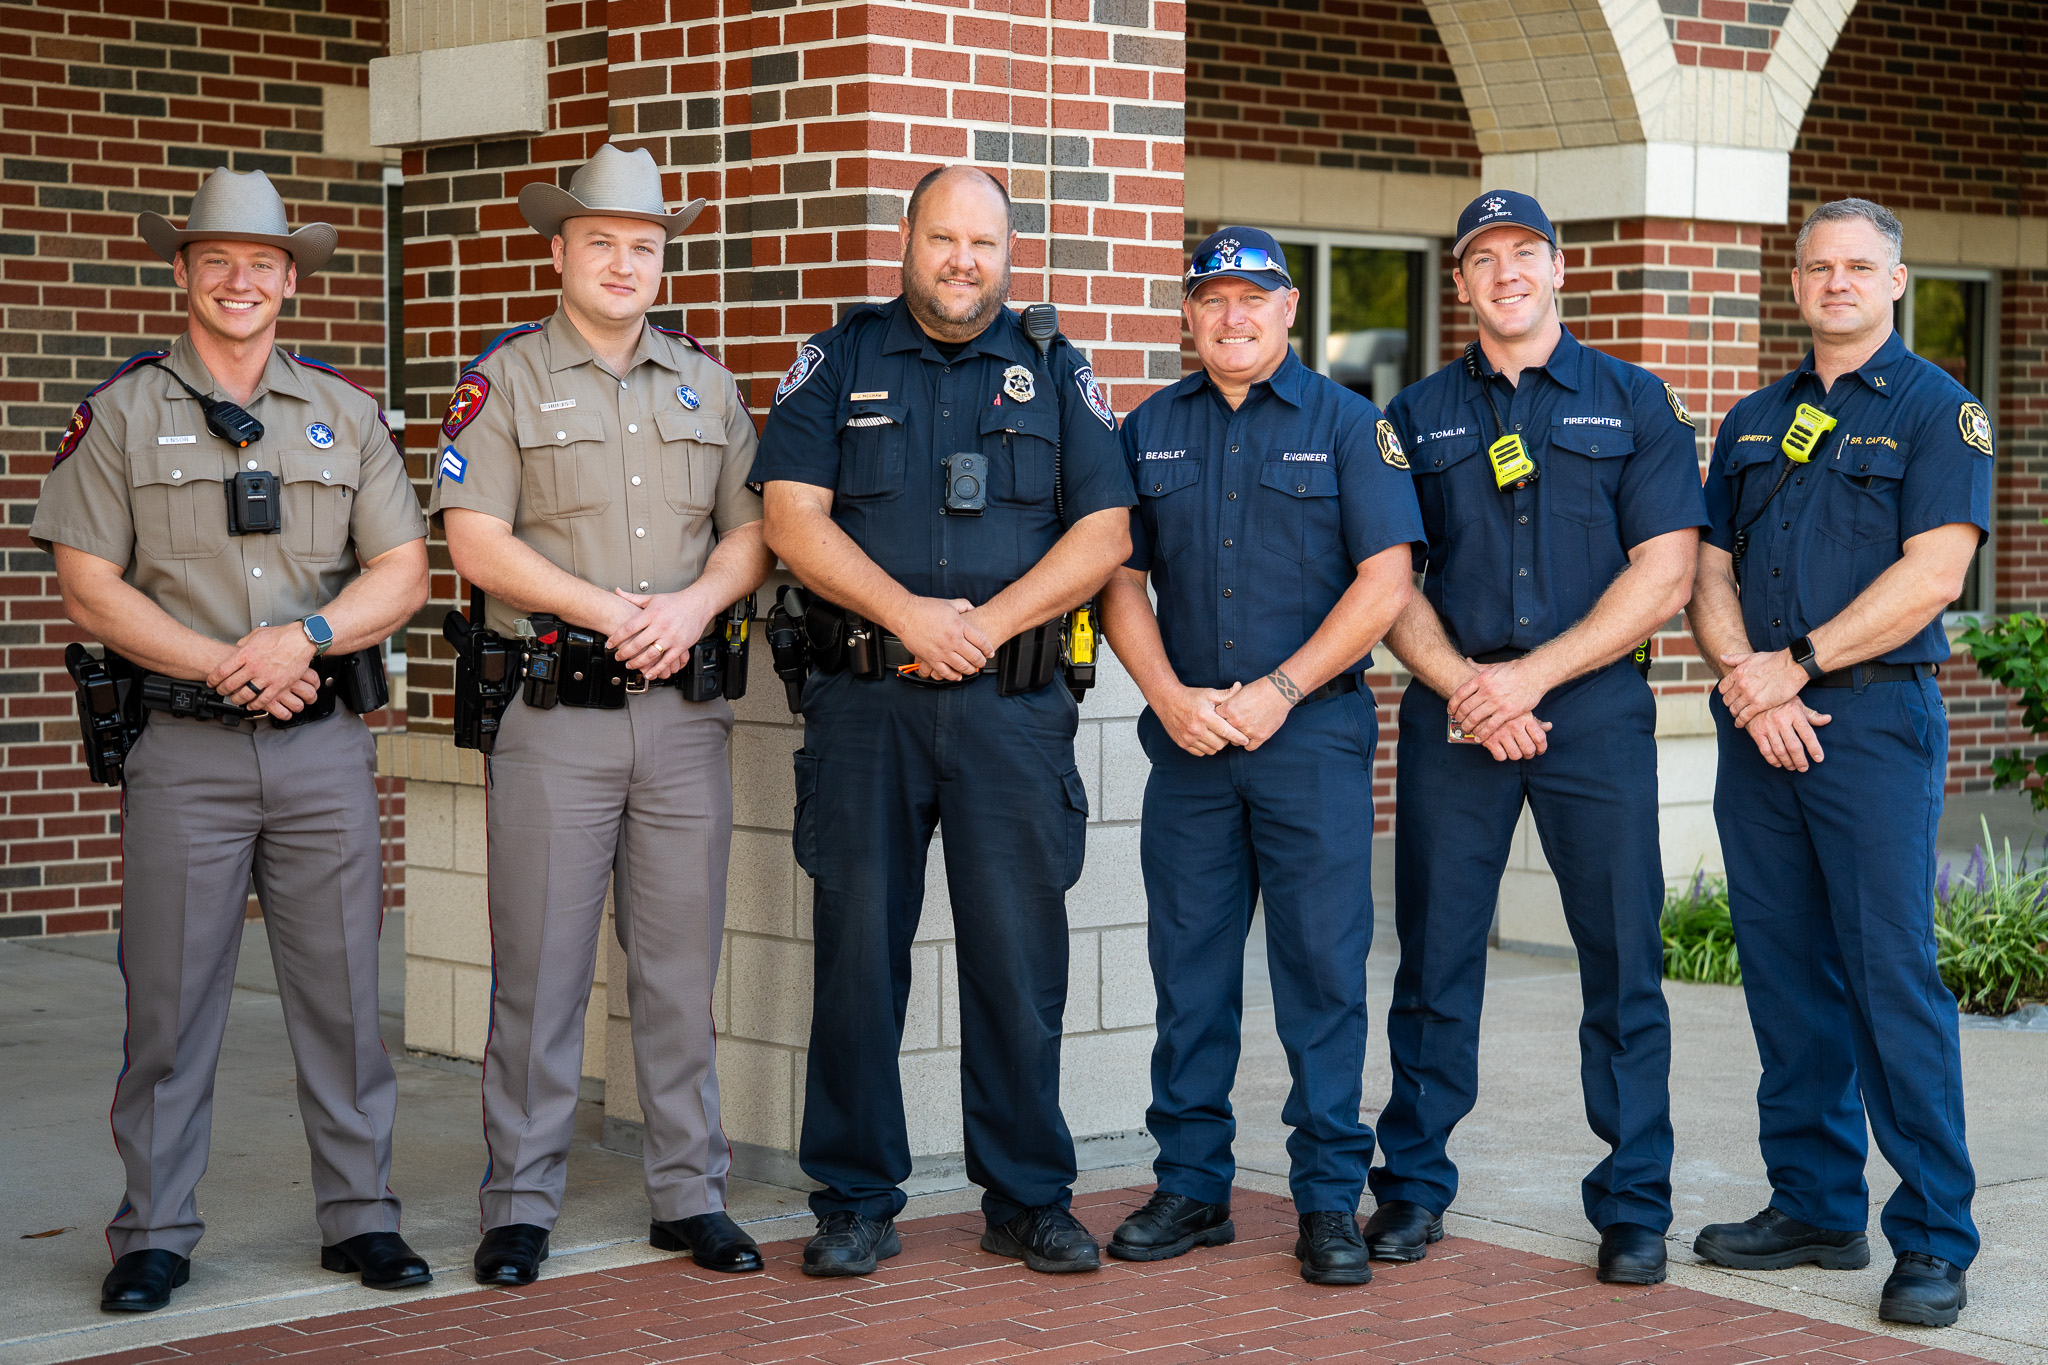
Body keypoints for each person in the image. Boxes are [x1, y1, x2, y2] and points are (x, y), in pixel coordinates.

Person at [32, 167, 432, 1312]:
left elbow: (400, 571)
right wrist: (223, 662)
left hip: (318, 749)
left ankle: (361, 1220)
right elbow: (88, 588)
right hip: (184, 749)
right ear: (183, 273)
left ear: (290, 280)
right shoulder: (118, 413)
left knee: (345, 995)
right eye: (218, 260)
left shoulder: (346, 415)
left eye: (262, 262)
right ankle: (153, 1231)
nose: (240, 279)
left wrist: (300, 638)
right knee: (168, 999)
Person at [752, 165, 1135, 1278]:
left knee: (1017, 962)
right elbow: (789, 519)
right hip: (865, 702)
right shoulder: (841, 358)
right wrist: (908, 613)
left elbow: (1103, 532)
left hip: (1011, 711)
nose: (963, 260)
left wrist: (982, 625)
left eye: (983, 242)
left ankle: (1025, 1198)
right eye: (941, 239)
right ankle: (856, 1200)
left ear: (1007, 252)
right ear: (906, 242)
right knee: (858, 956)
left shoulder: (1056, 368)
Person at [431, 144, 776, 1285]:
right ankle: (519, 1205)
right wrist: (611, 613)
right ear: (560, 250)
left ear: (661, 261)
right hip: (554, 711)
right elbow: (475, 539)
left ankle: (689, 1194)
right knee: (539, 968)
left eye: (644, 246)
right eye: (603, 243)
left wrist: (688, 608)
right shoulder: (507, 380)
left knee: (678, 969)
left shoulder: (705, 384)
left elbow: (751, 532)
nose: (625, 263)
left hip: (680, 716)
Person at [1373, 190, 1704, 1285]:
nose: (1504, 271)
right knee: (1433, 959)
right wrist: (1470, 686)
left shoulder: (1633, 400)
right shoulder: (1415, 415)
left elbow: (1661, 571)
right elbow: (1386, 578)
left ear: (1557, 269)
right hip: (1453, 706)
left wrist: (1533, 679)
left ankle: (1632, 1208)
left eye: (1524, 252)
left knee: (1620, 962)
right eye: (1481, 257)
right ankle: (1412, 1190)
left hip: (1594, 709)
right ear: (1457, 281)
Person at [1097, 229, 1422, 1285]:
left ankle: (1327, 1202)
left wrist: (1280, 690)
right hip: (1188, 745)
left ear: (1288, 310)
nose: (1231, 317)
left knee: (1320, 976)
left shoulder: (1346, 426)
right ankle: (1192, 1187)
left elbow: (1384, 582)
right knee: (1187, 979)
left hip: (1311, 740)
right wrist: (1164, 694)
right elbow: (1115, 582)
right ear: (1187, 316)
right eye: (1211, 300)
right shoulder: (1144, 431)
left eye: (1252, 298)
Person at [1684, 197, 1984, 1328]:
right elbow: (1707, 567)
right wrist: (1747, 680)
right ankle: (1811, 1204)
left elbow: (1932, 574)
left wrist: (1794, 665)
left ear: (1895, 281)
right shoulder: (1754, 417)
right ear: (1795, 281)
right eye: (1816, 267)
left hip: (1866, 722)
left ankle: (1932, 1238)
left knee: (1884, 973)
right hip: (1758, 722)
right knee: (1781, 971)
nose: (1836, 283)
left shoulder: (1933, 410)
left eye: (1858, 267)